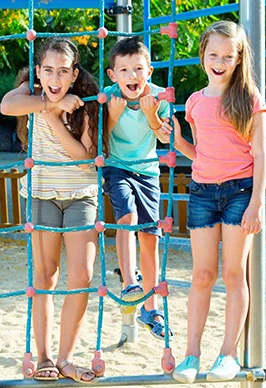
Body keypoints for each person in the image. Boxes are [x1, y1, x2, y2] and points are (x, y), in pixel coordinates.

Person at [0, 37, 108, 383]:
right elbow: (5, 106)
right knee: (45, 276)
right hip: (42, 194)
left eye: (63, 71)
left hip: (81, 193)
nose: (55, 78)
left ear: (74, 73)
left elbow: (82, 155)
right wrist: (45, 104)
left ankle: (65, 357)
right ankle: (44, 356)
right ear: (38, 72)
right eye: (48, 70)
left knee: (81, 276)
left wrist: (55, 117)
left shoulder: (88, 103)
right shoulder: (30, 96)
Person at [171, 20, 266, 383]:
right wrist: (178, 139)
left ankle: (227, 354)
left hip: (240, 193)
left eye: (228, 56)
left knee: (232, 273)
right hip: (202, 192)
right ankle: (191, 355)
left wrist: (257, 202)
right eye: (214, 54)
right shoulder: (195, 101)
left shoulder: (250, 99)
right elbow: (200, 153)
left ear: (238, 57)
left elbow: (261, 154)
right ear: (203, 56)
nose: (220, 61)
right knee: (202, 274)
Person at [102, 37, 173, 340]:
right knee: (127, 219)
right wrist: (114, 115)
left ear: (150, 71)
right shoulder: (107, 97)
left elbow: (166, 139)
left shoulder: (160, 97)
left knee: (150, 238)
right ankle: (130, 282)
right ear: (112, 75)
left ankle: (150, 306)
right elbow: (97, 140)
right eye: (124, 70)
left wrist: (151, 115)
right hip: (117, 166)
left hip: (147, 172)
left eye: (138, 69)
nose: (132, 76)